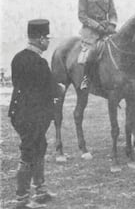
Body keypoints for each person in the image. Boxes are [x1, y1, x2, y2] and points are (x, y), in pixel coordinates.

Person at [8, 19, 62, 208]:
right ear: (39, 39)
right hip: (32, 116)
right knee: (30, 151)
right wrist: (59, 88)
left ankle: (40, 191)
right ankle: (21, 198)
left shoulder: (17, 58)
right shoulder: (39, 62)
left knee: (40, 146)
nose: (48, 41)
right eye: (46, 38)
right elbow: (49, 89)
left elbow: (21, 86)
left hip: (19, 113)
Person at [78, 0, 118, 90]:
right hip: (91, 31)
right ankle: (86, 78)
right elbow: (82, 15)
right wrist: (97, 26)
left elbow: (112, 13)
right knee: (91, 52)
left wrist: (111, 24)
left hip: (106, 29)